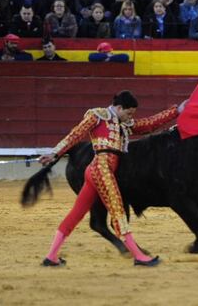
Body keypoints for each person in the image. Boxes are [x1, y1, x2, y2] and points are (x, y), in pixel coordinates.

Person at [39, 90, 186, 267]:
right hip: (102, 168)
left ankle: (51, 256)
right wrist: (55, 153)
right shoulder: (98, 115)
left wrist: (176, 111)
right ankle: (139, 256)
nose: (130, 117)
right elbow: (76, 134)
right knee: (118, 210)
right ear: (118, 107)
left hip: (97, 169)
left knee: (76, 214)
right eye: (128, 113)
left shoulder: (122, 123)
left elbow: (149, 124)